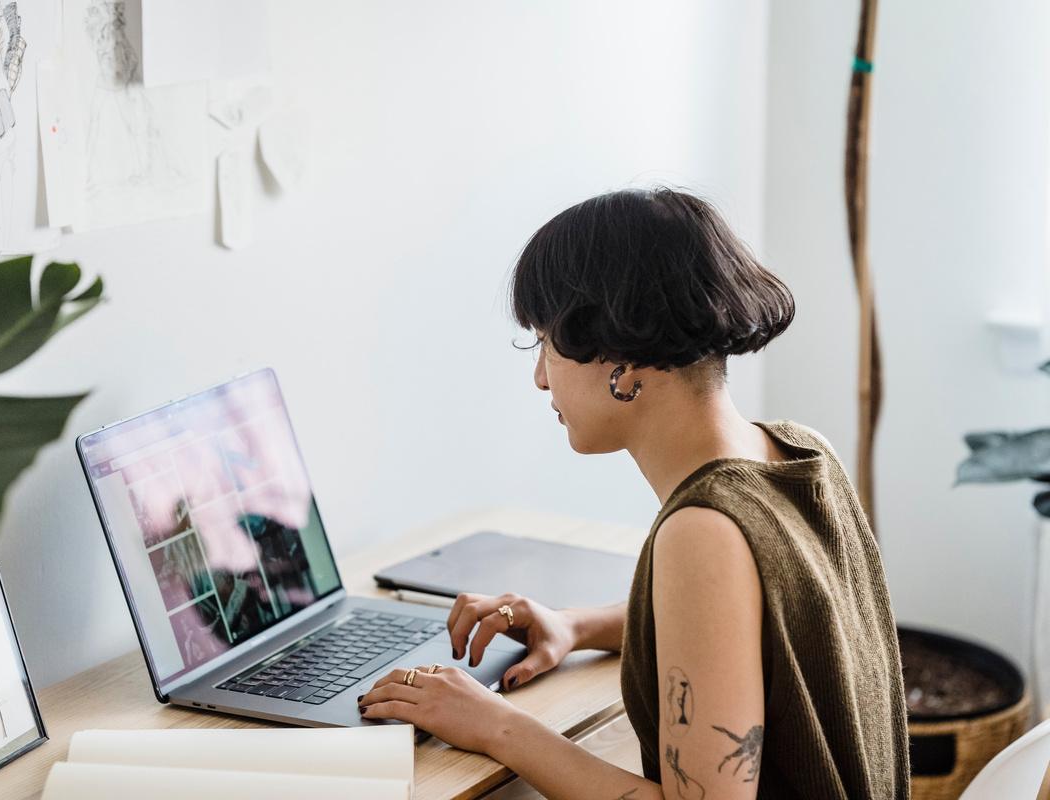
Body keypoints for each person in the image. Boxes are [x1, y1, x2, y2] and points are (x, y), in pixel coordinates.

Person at [358, 188, 910, 800]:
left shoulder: (702, 529)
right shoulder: (801, 453)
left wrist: (497, 726)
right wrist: (573, 625)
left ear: (621, 355)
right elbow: (741, 634)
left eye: (545, 341)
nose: (540, 376)